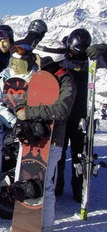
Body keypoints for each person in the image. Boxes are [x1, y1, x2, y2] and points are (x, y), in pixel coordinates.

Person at [15, 39, 75, 231]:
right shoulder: (37, 78)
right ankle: (24, 223)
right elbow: (22, 102)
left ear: (50, 58)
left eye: (39, 57)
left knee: (45, 187)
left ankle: (46, 227)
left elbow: (61, 110)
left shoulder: (66, 80)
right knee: (25, 182)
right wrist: (20, 111)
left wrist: (30, 113)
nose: (36, 60)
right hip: (29, 141)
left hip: (52, 141)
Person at [0, 44, 37, 218]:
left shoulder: (36, 78)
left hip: (28, 131)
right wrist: (12, 121)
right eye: (13, 62)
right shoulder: (5, 78)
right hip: (6, 130)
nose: (15, 67)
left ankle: (21, 203)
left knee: (23, 168)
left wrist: (27, 122)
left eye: (19, 64)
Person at [57, 28, 92, 201]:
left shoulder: (89, 60)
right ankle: (57, 185)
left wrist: (103, 51)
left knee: (79, 153)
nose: (74, 55)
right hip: (63, 113)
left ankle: (78, 187)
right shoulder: (61, 56)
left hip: (80, 114)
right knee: (59, 153)